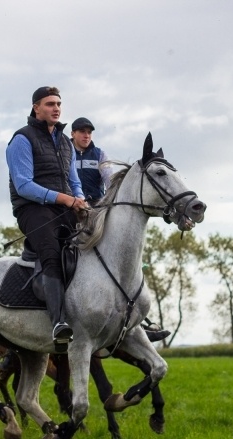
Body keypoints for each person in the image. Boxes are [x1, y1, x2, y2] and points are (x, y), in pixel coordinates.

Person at [70, 117, 171, 343]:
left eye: (89, 132)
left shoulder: (99, 154)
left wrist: (106, 203)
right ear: (73, 134)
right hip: (69, 210)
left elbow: (109, 179)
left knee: (123, 255)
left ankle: (138, 318)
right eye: (82, 132)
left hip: (94, 211)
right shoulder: (66, 153)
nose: (86, 136)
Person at [6, 86, 88, 353]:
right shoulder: (21, 139)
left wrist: (80, 200)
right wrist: (64, 199)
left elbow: (74, 182)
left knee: (96, 246)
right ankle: (59, 323)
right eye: (50, 104)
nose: (56, 108)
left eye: (59, 104)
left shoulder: (66, 143)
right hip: (33, 210)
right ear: (36, 108)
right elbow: (24, 186)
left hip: (65, 208)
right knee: (52, 253)